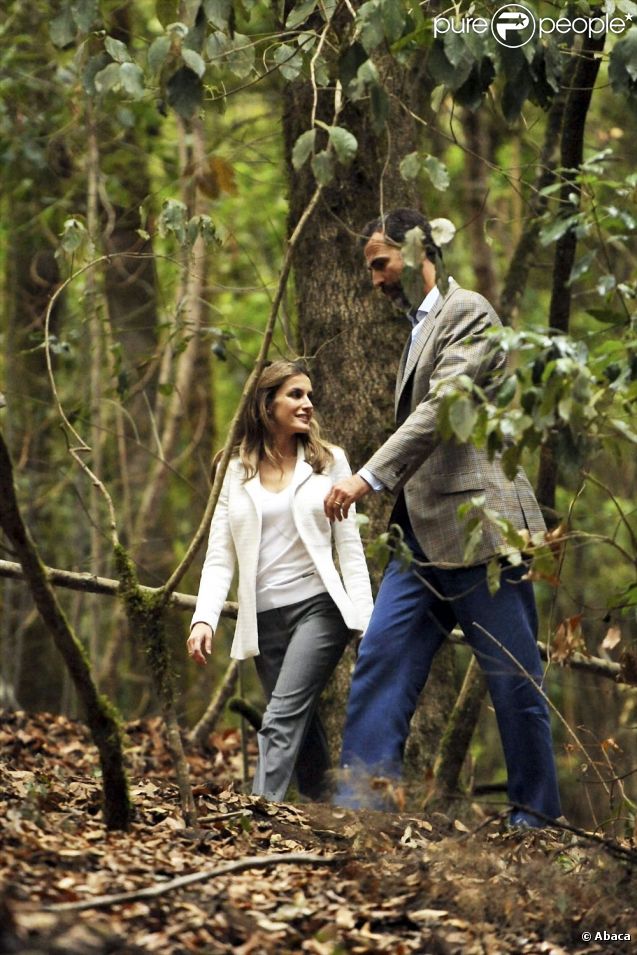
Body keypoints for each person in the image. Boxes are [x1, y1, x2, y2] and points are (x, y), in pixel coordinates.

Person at [324, 208, 561, 828]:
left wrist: (368, 476)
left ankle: (535, 818)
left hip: (482, 530)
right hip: (420, 539)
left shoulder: (468, 311)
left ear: (416, 250)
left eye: (381, 263)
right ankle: (362, 808)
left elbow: (444, 404)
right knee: (381, 659)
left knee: (513, 680)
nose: (375, 279)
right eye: (371, 268)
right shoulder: (417, 326)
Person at [188, 359, 373, 802]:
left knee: (282, 715)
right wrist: (204, 619)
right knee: (300, 723)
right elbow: (219, 555)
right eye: (296, 394)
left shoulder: (329, 463)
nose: (308, 404)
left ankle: (254, 814)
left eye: (309, 395)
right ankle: (324, 814)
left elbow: (349, 548)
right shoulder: (233, 470)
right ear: (265, 403)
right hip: (264, 616)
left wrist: (367, 622)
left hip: (319, 606)